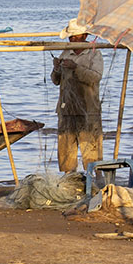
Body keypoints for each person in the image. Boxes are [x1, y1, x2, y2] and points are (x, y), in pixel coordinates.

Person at [50, 18, 104, 172]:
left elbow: (95, 77)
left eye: (75, 36)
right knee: (66, 150)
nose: (72, 39)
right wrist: (56, 68)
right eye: (70, 36)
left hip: (88, 109)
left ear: (84, 36)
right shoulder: (66, 51)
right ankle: (69, 180)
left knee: (91, 149)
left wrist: (76, 68)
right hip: (67, 109)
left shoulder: (94, 54)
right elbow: (56, 81)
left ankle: (95, 181)